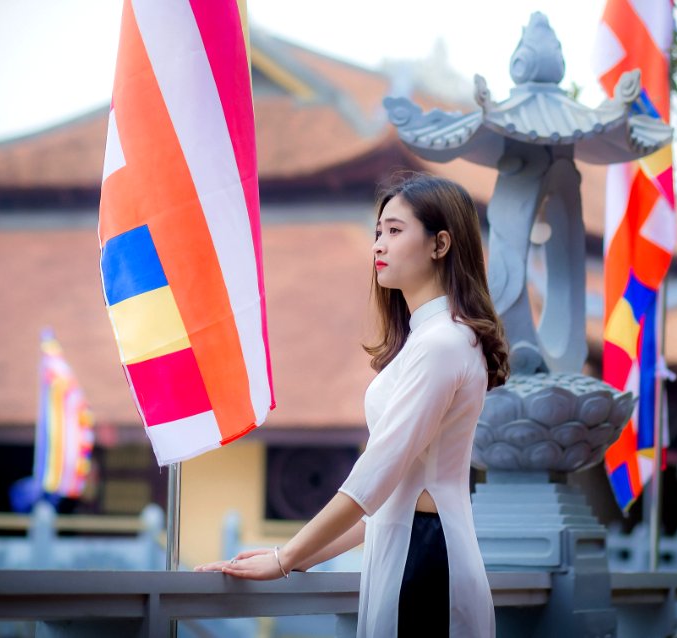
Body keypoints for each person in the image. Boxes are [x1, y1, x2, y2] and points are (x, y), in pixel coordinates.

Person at [195, 172, 510, 638]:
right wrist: (296, 556)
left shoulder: (443, 342)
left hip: (425, 563)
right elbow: (382, 504)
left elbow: (373, 478)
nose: (378, 245)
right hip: (408, 550)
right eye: (378, 232)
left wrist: (286, 559)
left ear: (440, 244)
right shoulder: (433, 339)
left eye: (396, 231)